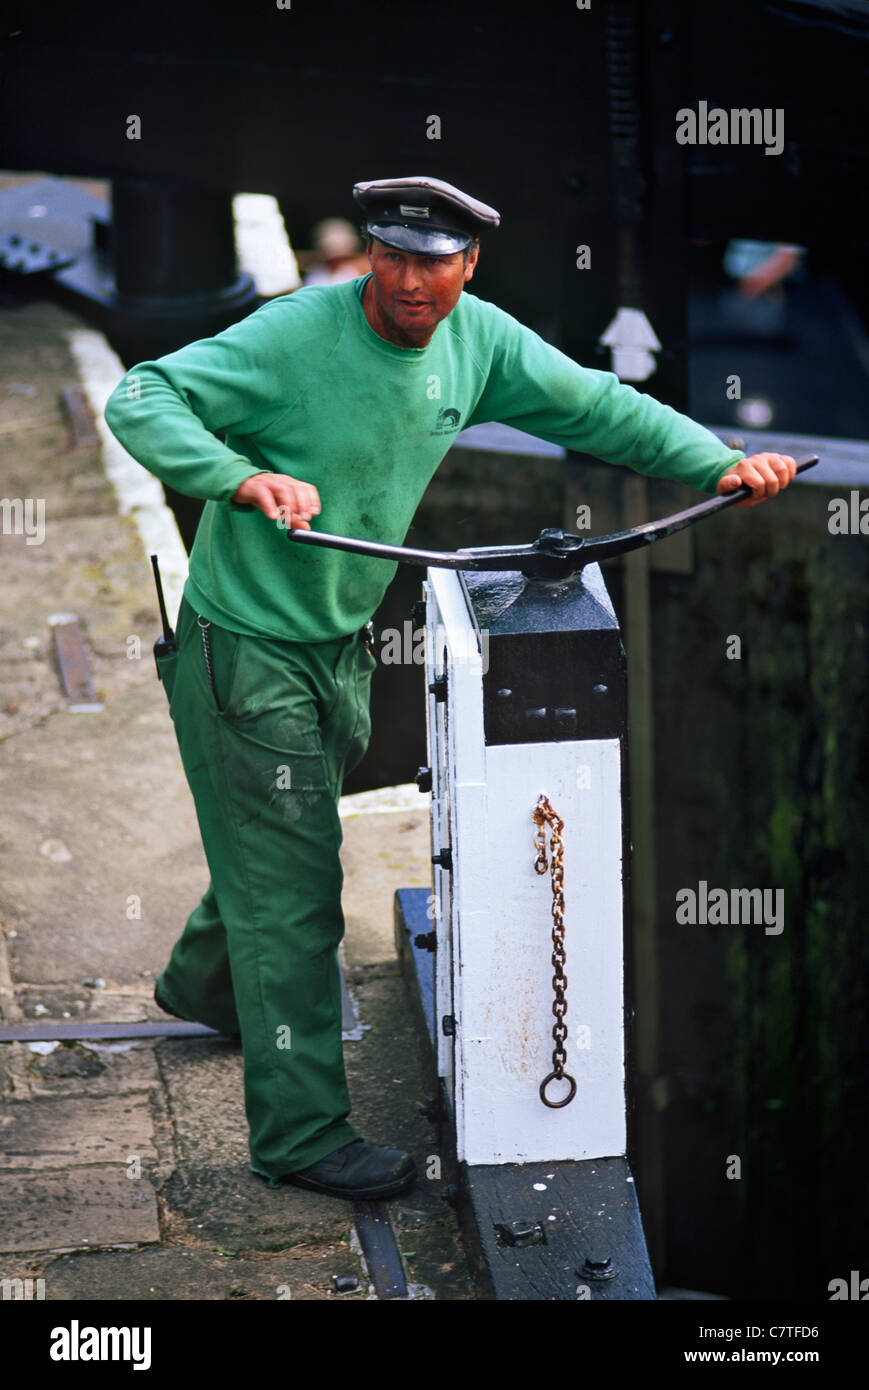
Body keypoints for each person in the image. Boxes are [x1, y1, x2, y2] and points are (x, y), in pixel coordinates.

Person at [104, 175, 796, 1202]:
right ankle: (298, 1134)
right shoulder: (294, 334)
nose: (409, 278)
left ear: (470, 267)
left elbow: (595, 404)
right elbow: (140, 393)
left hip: (337, 640)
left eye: (433, 261)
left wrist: (718, 460)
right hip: (244, 647)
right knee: (295, 893)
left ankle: (203, 986)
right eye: (390, 254)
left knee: (272, 850)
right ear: (369, 258)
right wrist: (234, 478)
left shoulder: (481, 342)